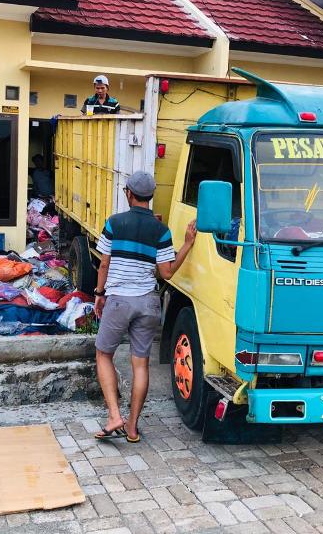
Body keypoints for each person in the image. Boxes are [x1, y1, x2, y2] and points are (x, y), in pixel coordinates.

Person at [93, 171, 197, 443]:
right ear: (150, 196)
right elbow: (167, 273)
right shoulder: (161, 231)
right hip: (148, 302)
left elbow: (104, 263)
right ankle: (132, 427)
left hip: (118, 300)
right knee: (141, 365)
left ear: (128, 193)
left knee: (104, 354)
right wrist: (187, 244)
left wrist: (99, 294)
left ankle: (114, 415)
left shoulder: (114, 223)